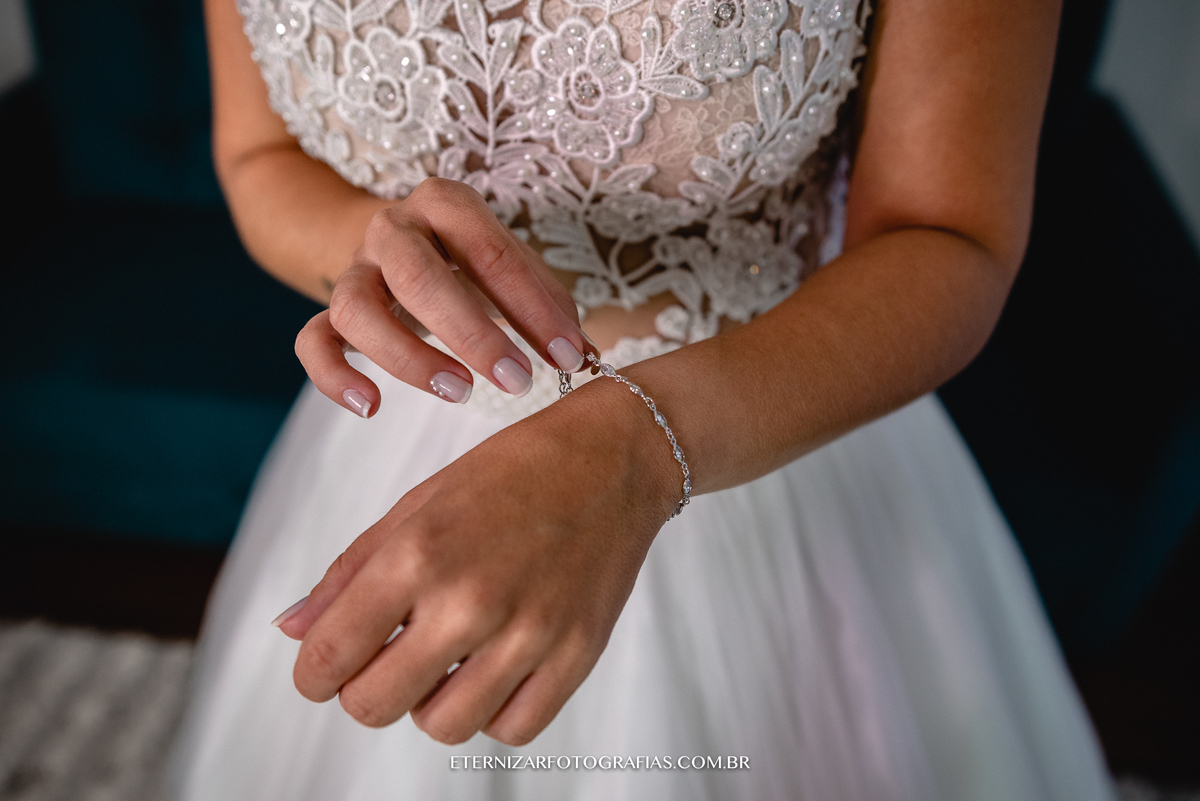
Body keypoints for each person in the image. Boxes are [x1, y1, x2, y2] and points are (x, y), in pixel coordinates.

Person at [170, 0, 1116, 797]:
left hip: (765, 438)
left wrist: (633, 448)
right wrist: (381, 257)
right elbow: (255, 155)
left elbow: (949, 235)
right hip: (398, 437)